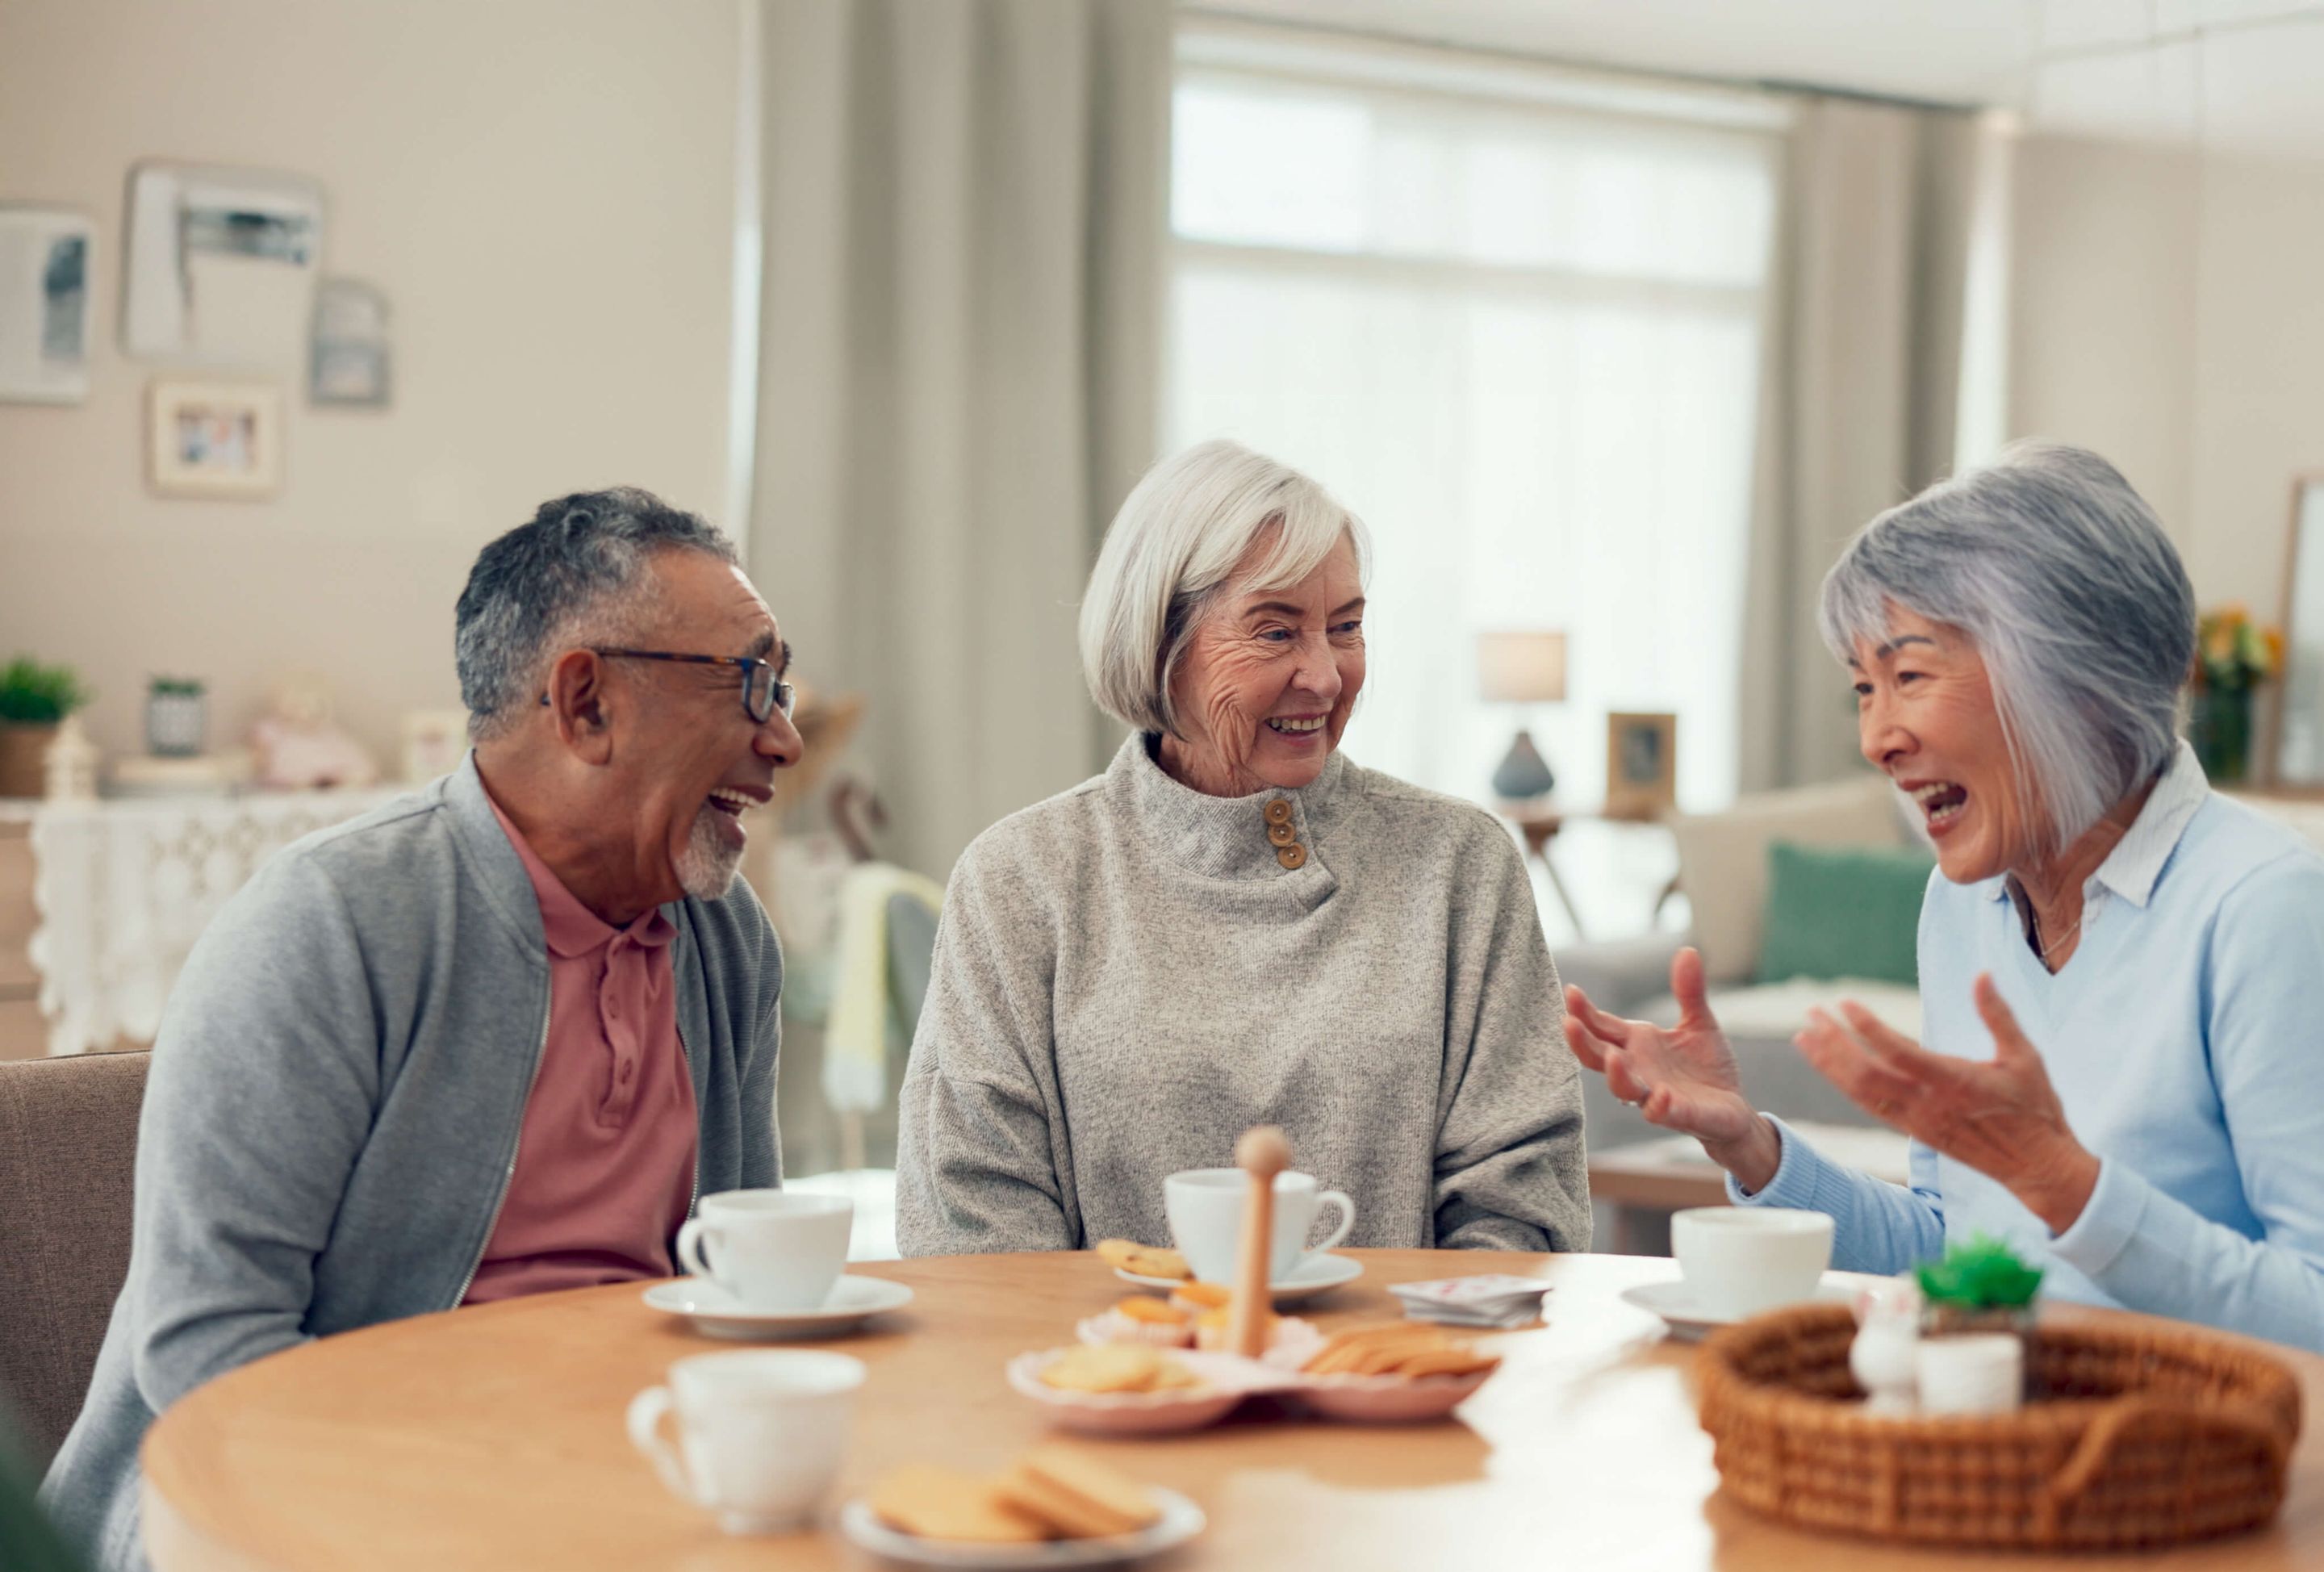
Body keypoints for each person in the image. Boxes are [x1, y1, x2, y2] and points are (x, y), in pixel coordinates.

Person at [41, 488, 798, 1570]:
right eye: (752, 682)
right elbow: (209, 1343)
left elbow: (742, 1278)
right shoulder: (333, 922)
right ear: (587, 703)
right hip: (313, 1511)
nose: (787, 734)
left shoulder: (727, 943)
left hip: (625, 1491)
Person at [1565, 444, 2324, 1350]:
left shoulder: (2264, 909)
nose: (1876, 739)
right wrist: (1749, 1144)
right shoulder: (1964, 907)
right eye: (1863, 689)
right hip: (2002, 1447)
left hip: (2196, 1467)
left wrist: (2069, 1186)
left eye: (1909, 676)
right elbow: (1949, 1243)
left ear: (2068, 668)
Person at [896, 440, 1590, 1256]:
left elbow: (1523, 1205)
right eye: (1275, 631)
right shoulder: (1022, 879)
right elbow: (974, 1224)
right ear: (1161, 644)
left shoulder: (1460, 863)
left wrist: (1393, 1366)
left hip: (1395, 1375)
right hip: (1102, 1375)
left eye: (1346, 627)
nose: (1326, 676)